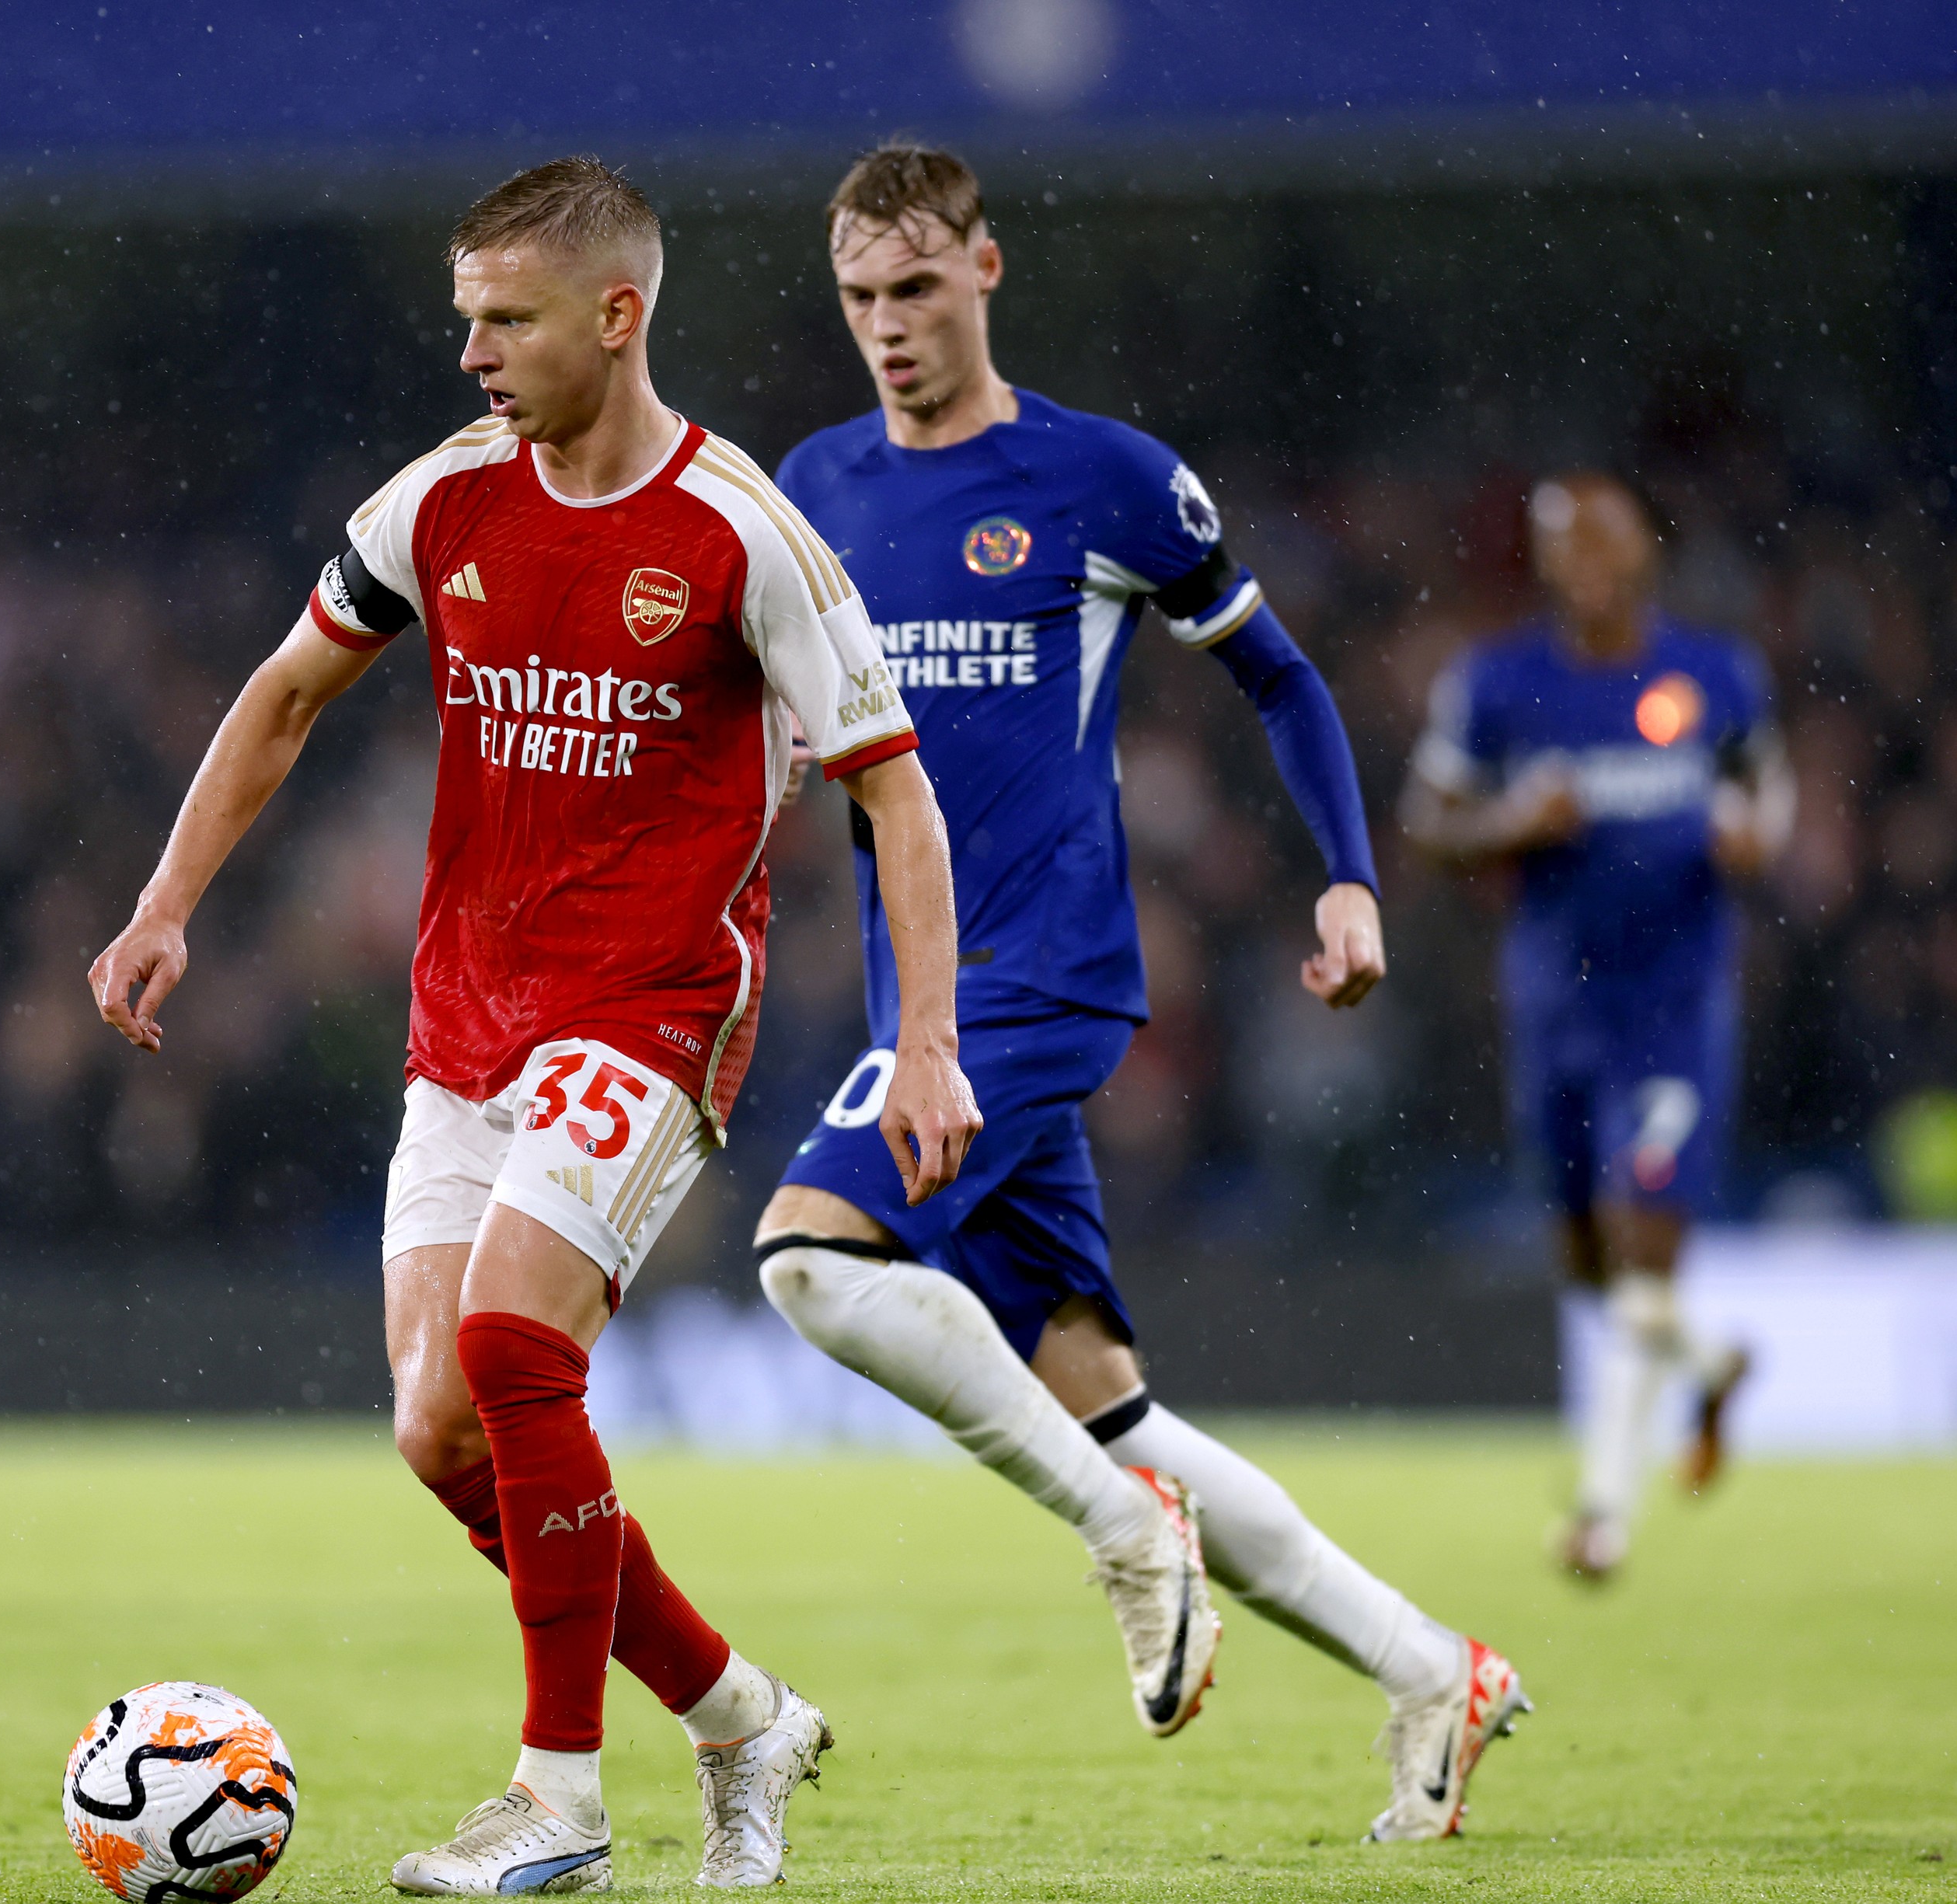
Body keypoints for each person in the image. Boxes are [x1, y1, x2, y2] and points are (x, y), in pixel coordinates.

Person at [89, 157, 1207, 1896]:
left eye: (507, 320)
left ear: (617, 318)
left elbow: (896, 798)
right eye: (462, 319)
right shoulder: (439, 502)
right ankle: (735, 1708)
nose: (472, 354)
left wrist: (927, 1043)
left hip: (653, 1008)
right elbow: (287, 691)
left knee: (517, 1350)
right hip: (465, 1009)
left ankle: (558, 1796)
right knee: (437, 1424)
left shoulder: (743, 533)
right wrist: (165, 903)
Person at [748, 141, 1528, 1843]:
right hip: (922, 1002)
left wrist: (1343, 872)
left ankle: (1119, 1533)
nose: (885, 325)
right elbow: (800, 737)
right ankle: (1427, 1671)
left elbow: (1279, 672)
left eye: (916, 287)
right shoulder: (817, 484)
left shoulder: (1104, 482)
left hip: (1044, 979)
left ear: (985, 270)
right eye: (859, 297)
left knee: (809, 1254)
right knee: (1109, 1394)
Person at [1402, 472, 1792, 1582]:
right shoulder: (1497, 682)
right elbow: (1429, 818)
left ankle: (1602, 1513)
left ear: (1645, 549)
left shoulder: (1713, 672)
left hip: (1675, 1008)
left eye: (1604, 540)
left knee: (1642, 1247)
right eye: (1564, 545)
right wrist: (1512, 819)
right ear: (1544, 563)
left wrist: (1757, 835)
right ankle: (1710, 1366)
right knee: (1588, 1261)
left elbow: (1769, 787)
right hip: (1555, 1005)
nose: (1587, 561)